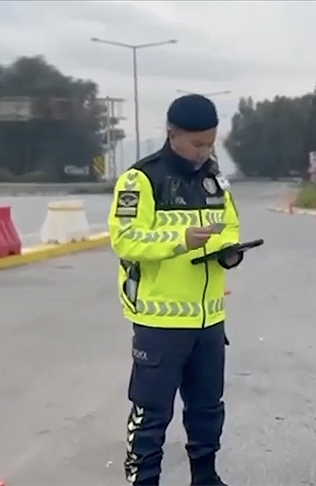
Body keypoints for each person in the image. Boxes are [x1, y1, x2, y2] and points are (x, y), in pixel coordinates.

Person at [108, 94, 243, 486]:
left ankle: (205, 475)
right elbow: (127, 240)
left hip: (209, 318)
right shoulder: (141, 180)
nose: (204, 152)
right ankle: (144, 480)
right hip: (159, 319)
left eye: (210, 143)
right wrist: (180, 240)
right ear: (173, 135)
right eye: (197, 144)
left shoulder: (214, 178)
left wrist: (228, 251)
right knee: (151, 414)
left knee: (207, 408)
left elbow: (230, 225)